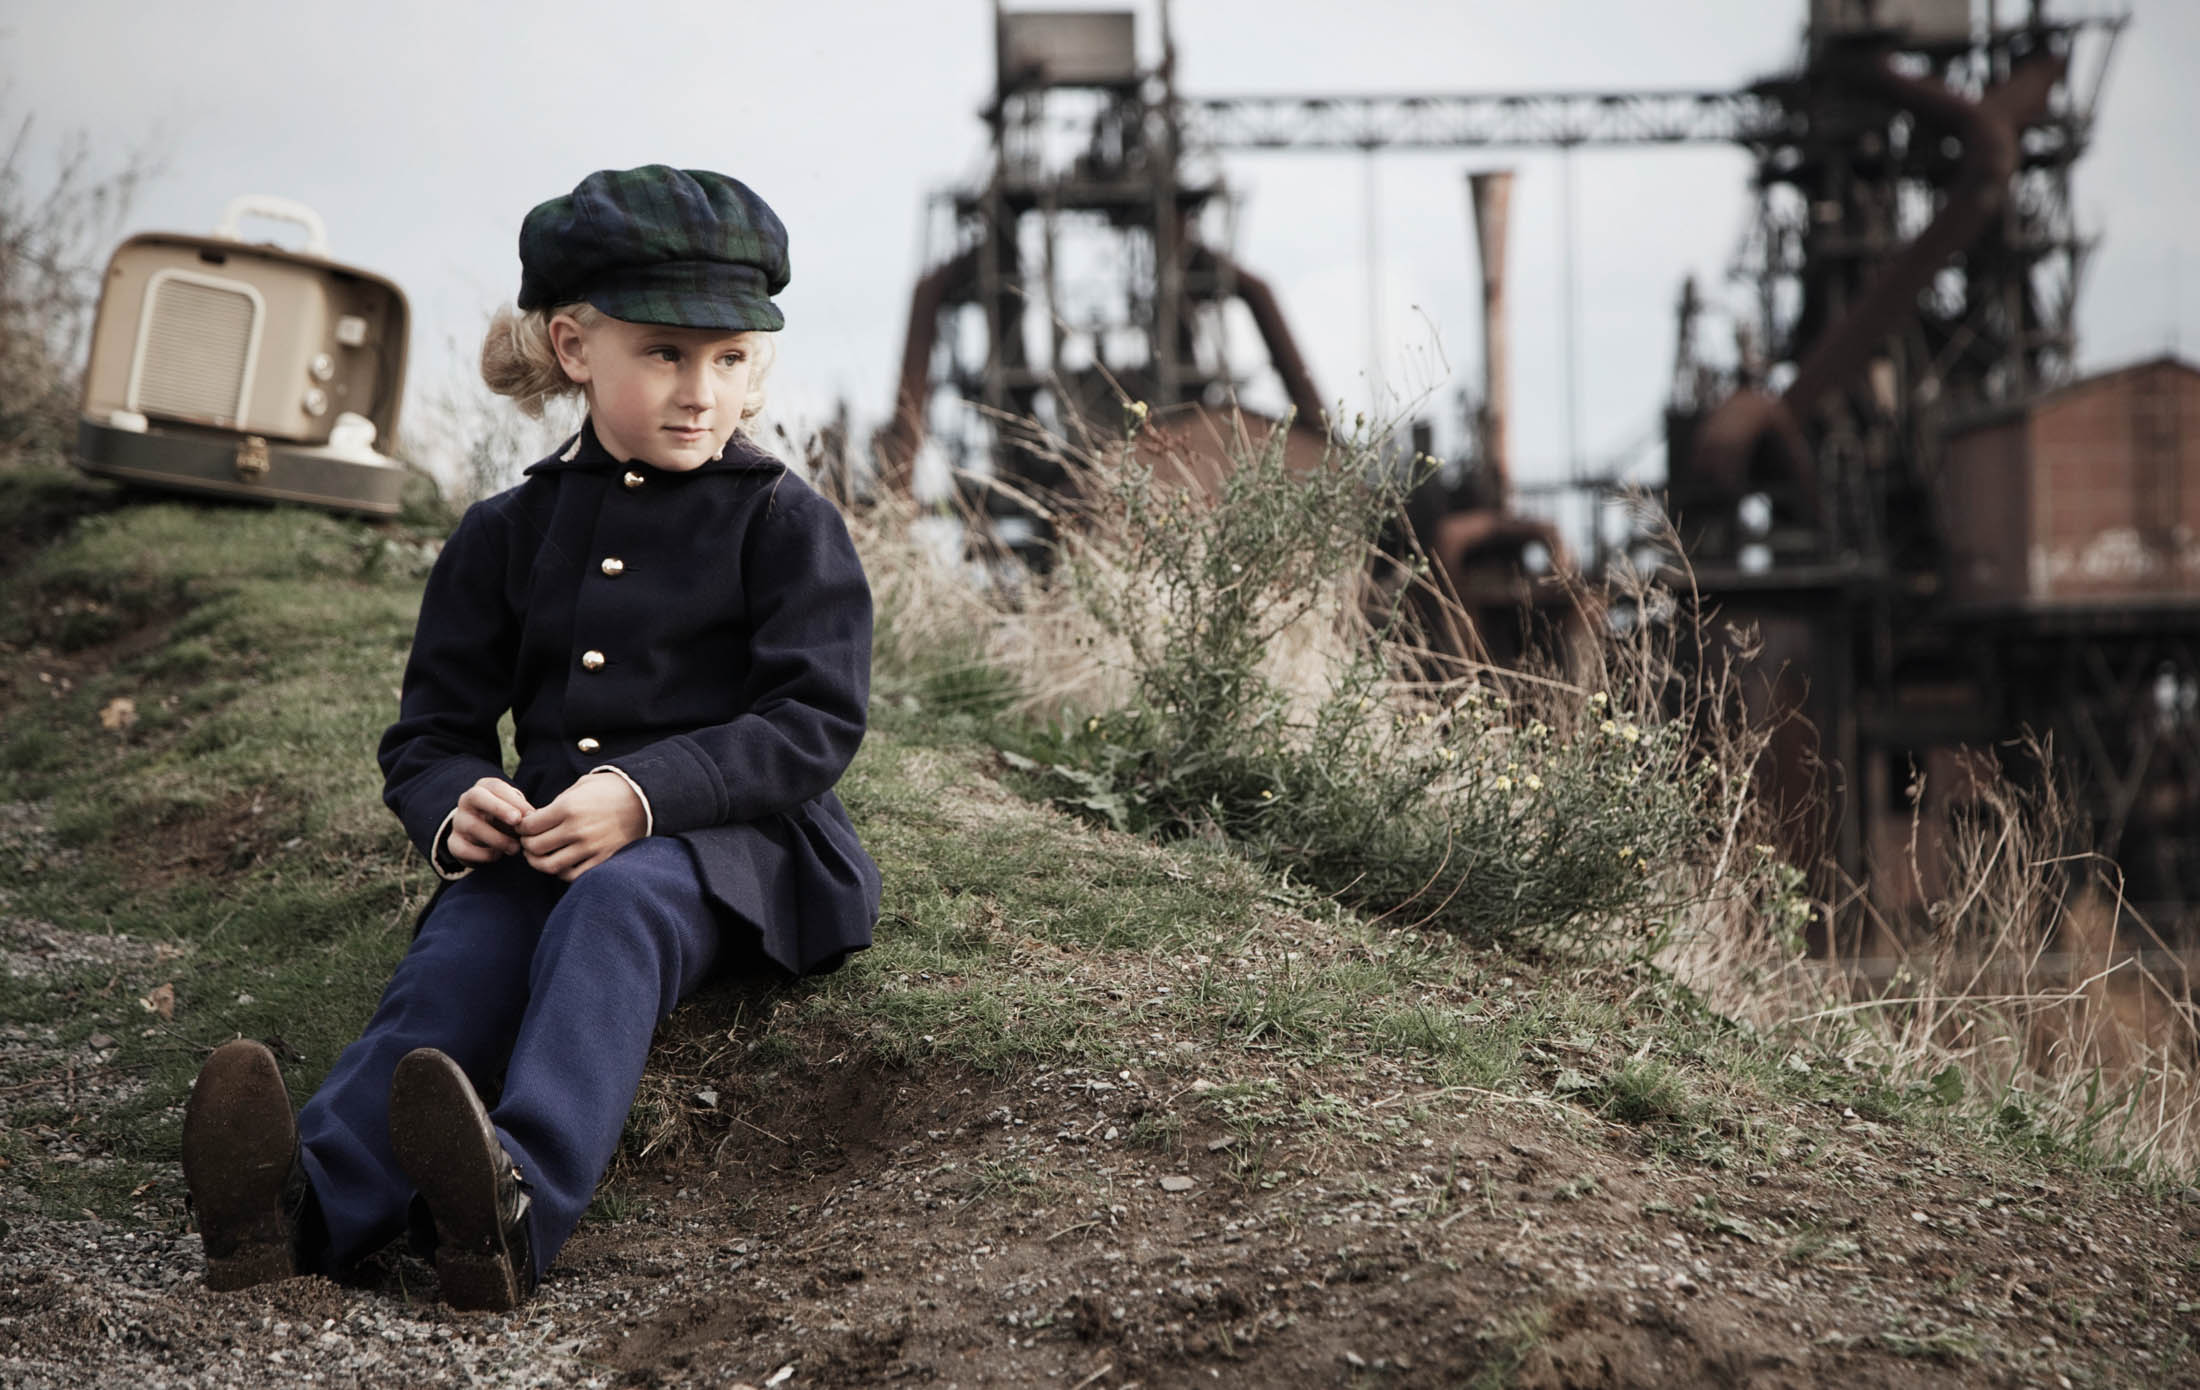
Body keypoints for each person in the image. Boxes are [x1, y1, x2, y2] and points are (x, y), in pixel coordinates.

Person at [178, 165, 880, 1311]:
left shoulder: (784, 522)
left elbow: (812, 723)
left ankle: (509, 1206)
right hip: (544, 836)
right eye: (664, 352)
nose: (702, 390)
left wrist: (642, 797)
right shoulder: (506, 530)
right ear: (572, 346)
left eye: (731, 358)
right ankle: (298, 1209)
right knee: (458, 955)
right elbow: (434, 730)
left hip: (733, 855)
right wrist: (461, 806)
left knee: (616, 906)